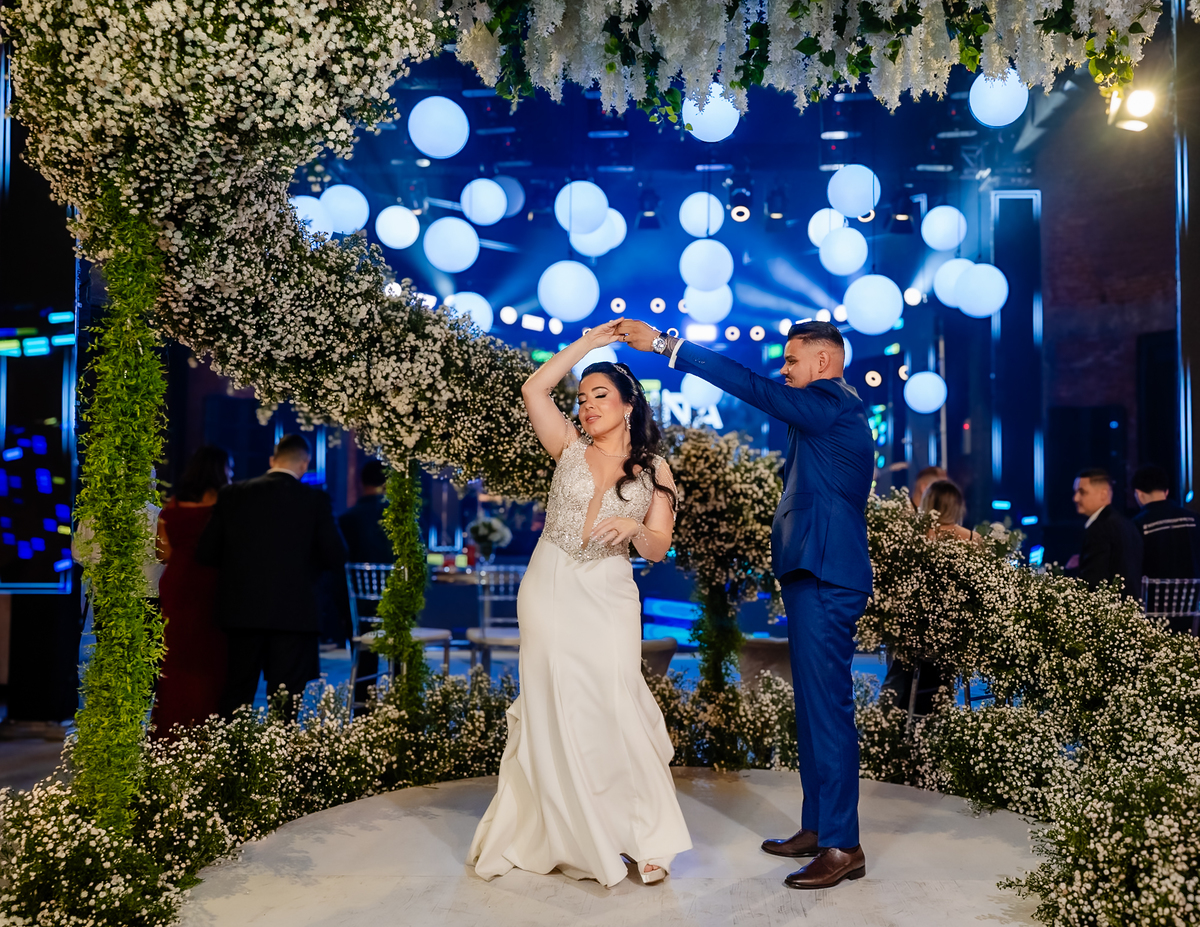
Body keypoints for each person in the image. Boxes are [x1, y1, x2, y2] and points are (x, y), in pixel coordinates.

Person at [617, 317, 873, 891]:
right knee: (814, 709)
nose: (783, 371)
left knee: (828, 710)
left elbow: (751, 387)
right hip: (815, 572)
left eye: (792, 360)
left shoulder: (831, 401)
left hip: (827, 574)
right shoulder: (826, 413)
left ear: (824, 362)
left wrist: (667, 346)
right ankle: (820, 828)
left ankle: (843, 845)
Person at [469, 319, 692, 887]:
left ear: (628, 404)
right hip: (549, 582)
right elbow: (534, 388)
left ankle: (645, 834)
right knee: (555, 704)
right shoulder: (567, 445)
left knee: (615, 701)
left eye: (600, 396)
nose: (587, 406)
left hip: (609, 590)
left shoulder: (656, 470)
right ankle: (573, 834)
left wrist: (635, 528)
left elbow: (659, 548)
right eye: (582, 398)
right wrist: (589, 345)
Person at [196, 434, 347, 719]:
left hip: (241, 613)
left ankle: (232, 746)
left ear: (272, 460)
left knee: (237, 694)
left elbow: (206, 552)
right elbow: (336, 555)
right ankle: (279, 747)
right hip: (295, 614)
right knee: (285, 703)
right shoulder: (315, 500)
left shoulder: (233, 494)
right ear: (305, 464)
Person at [152, 446, 232, 737]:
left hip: (177, 584)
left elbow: (162, 553)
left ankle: (170, 732)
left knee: (176, 658)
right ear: (220, 470)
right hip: (212, 583)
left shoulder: (172, 506)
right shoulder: (225, 504)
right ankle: (206, 732)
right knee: (211, 659)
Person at [881, 479, 970, 715]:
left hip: (913, 635)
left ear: (928, 503)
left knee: (900, 661)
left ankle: (890, 721)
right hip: (955, 637)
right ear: (957, 505)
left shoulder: (913, 539)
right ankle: (936, 715)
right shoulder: (972, 540)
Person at [1068, 468, 1143, 599]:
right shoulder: (1127, 523)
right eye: (1075, 492)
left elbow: (1093, 581)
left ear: (1103, 494)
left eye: (1082, 492)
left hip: (1109, 607)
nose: (1075, 498)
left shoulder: (1099, 529)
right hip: (1132, 605)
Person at [1131, 465, 1200, 581]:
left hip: (1155, 591)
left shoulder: (1138, 524)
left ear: (1139, 493)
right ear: (1166, 491)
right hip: (1195, 591)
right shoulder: (1194, 518)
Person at [338, 459, 392, 564]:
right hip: (395, 574)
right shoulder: (401, 517)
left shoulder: (346, 519)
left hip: (355, 574)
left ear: (361, 482)